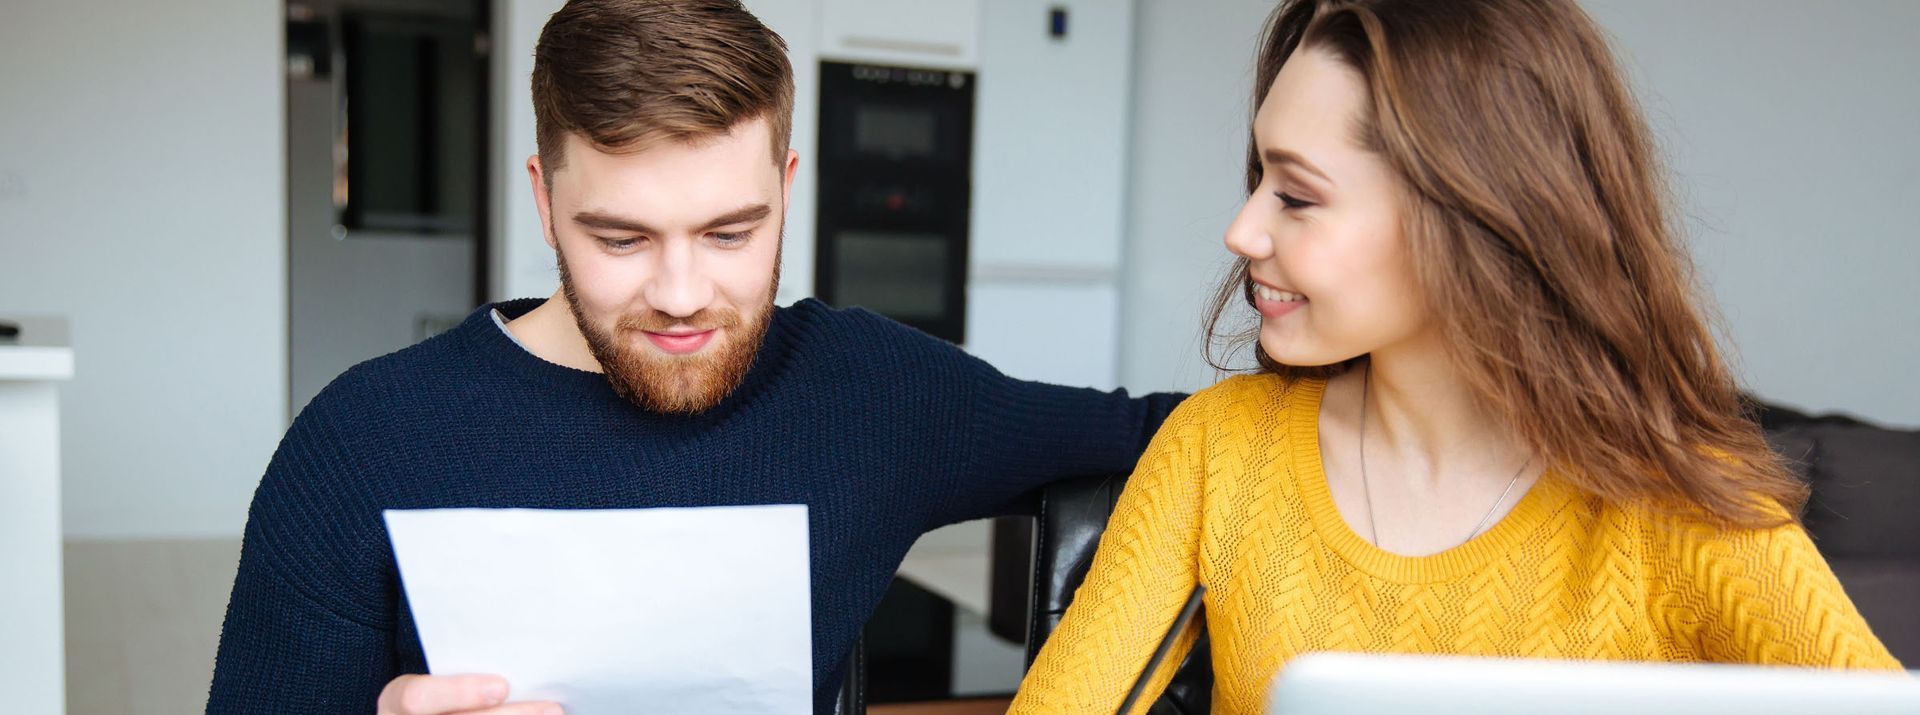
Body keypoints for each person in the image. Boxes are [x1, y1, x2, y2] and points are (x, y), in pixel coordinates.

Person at [203, 1, 1182, 713]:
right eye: (621, 238)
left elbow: (1168, 430)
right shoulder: (361, 441)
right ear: (543, 200)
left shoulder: (872, 393)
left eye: (729, 234)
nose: (679, 294)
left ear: (786, 188)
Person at [1010, 0, 1901, 712]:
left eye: (1297, 196)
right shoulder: (1218, 450)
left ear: (1470, 215)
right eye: (1257, 182)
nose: (1242, 230)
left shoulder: (1679, 501)